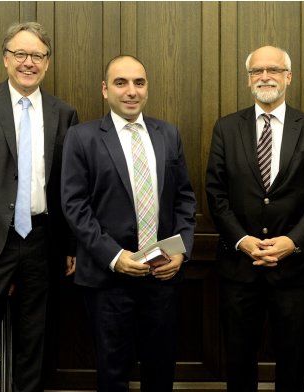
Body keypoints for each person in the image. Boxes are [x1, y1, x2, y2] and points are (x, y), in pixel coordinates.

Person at [0, 22, 79, 391]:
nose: (28, 62)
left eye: (37, 55)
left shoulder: (63, 113)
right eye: (20, 54)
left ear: (47, 63)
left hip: (43, 240)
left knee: (34, 339)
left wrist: (70, 246)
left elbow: (68, 186)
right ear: (6, 59)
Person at [61, 55, 196, 392]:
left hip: (161, 275)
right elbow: (74, 206)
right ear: (105, 90)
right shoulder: (82, 137)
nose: (131, 91)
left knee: (161, 370)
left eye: (139, 82)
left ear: (147, 89)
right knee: (112, 372)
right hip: (108, 280)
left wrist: (180, 253)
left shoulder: (168, 134)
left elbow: (184, 199)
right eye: (121, 83)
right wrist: (114, 256)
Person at [205, 45, 304, 391]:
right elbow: (215, 195)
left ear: (288, 77)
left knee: (293, 362)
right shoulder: (226, 128)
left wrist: (292, 242)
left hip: (293, 270)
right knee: (238, 360)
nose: (265, 76)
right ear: (248, 81)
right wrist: (243, 241)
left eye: (274, 70)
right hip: (239, 268)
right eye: (257, 71)